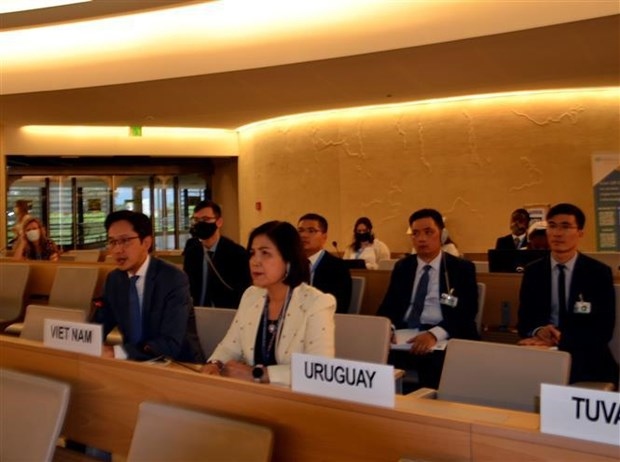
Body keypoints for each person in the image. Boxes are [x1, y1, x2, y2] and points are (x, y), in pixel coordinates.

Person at [203, 220, 336, 386]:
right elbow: (230, 346)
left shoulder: (316, 303)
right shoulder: (251, 296)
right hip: (252, 397)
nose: (255, 261)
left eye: (265, 253)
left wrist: (259, 374)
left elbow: (320, 370)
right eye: (252, 253)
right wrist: (215, 364)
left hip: (294, 403)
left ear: (288, 259)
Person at [517, 203, 618, 386]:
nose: (557, 233)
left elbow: (604, 329)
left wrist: (563, 339)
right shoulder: (534, 272)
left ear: (580, 233)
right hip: (543, 354)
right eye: (552, 226)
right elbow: (524, 320)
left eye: (565, 227)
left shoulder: (598, 273)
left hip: (587, 357)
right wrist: (539, 331)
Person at [377, 208, 479, 389]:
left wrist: (434, 334)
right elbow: (388, 306)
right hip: (404, 336)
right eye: (415, 233)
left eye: (428, 232)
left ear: (442, 234)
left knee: (433, 368)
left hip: (443, 336)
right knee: (374, 358)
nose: (421, 239)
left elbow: (466, 312)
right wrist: (389, 329)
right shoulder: (403, 267)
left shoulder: (460, 268)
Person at [95, 210, 205, 363]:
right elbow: (99, 324)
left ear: (146, 243)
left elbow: (170, 343)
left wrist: (117, 351)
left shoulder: (172, 279)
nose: (117, 250)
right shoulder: (114, 280)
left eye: (125, 241)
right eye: (112, 242)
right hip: (134, 363)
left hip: (178, 364)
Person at [183, 200, 251, 308]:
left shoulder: (237, 253)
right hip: (196, 313)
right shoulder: (192, 251)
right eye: (196, 220)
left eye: (205, 219)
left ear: (219, 222)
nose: (200, 223)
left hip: (225, 314)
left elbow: (244, 291)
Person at [297, 213, 352, 314]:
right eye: (300, 231)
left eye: (311, 231)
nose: (303, 235)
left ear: (324, 237)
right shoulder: (290, 265)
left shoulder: (338, 267)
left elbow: (339, 306)